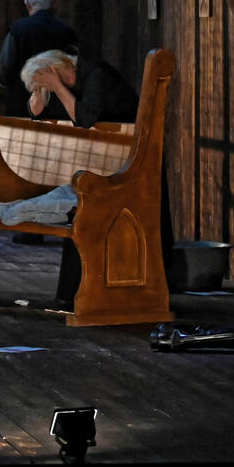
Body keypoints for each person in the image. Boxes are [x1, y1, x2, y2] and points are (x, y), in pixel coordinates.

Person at [20, 48, 147, 310]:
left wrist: (56, 85)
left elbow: (85, 119)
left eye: (47, 81)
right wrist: (40, 91)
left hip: (128, 160)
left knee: (84, 211)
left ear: (57, 69)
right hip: (104, 158)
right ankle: (70, 295)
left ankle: (86, 294)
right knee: (77, 210)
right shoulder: (67, 85)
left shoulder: (96, 75)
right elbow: (36, 114)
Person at [0, 0, 78, 116]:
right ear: (54, 3)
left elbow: (6, 70)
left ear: (27, 3)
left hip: (21, 109)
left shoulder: (17, 30)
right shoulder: (67, 32)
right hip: (60, 111)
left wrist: (1, 78)